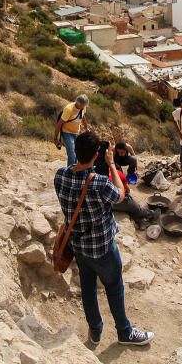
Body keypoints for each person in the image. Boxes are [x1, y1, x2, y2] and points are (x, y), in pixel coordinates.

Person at [53, 132, 154, 347]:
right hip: (102, 247)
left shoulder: (60, 175)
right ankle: (124, 332)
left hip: (78, 246)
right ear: (96, 155)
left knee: (88, 288)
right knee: (114, 285)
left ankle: (96, 331)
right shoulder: (99, 183)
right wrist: (110, 166)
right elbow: (120, 194)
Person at [94, 147, 155, 227]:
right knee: (133, 205)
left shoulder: (92, 173)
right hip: (114, 203)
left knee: (130, 205)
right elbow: (126, 190)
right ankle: (150, 214)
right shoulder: (117, 173)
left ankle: (139, 220)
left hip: (101, 204)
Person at [52, 94, 90, 166]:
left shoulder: (83, 107)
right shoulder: (69, 109)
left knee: (78, 153)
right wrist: (55, 138)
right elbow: (59, 124)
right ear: (78, 103)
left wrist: (86, 128)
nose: (84, 107)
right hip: (67, 133)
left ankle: (74, 171)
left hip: (76, 132)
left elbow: (82, 116)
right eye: (83, 105)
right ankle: (70, 173)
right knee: (72, 153)